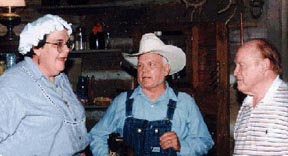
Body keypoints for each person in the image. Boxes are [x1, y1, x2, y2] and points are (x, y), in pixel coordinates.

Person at [89, 33, 214, 156]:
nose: (144, 70)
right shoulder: (123, 102)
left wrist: (181, 146)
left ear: (166, 69)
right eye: (140, 65)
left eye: (151, 64)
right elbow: (96, 135)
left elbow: (205, 141)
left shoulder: (185, 102)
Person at [0, 14, 89, 155]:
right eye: (58, 44)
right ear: (36, 47)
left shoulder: (61, 79)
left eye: (67, 44)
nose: (66, 50)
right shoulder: (12, 85)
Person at [233, 39, 288, 155]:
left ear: (264, 65)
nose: (235, 72)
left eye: (241, 65)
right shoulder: (247, 104)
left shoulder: (285, 105)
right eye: (236, 66)